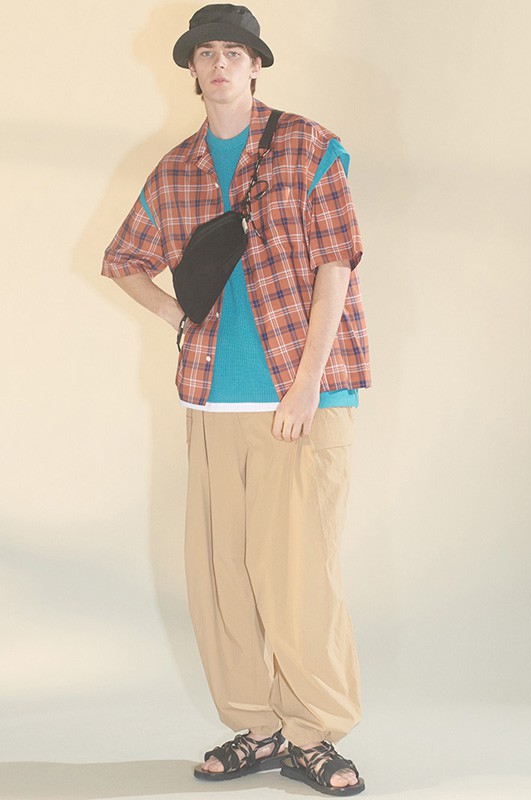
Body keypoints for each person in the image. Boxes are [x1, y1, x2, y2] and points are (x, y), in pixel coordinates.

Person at [102, 4, 370, 795]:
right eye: (206, 53)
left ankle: (314, 734)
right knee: (223, 576)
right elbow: (123, 259)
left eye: (234, 52)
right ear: (191, 69)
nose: (220, 65)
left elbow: (337, 265)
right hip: (214, 400)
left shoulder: (308, 146)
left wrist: (306, 382)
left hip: (302, 395)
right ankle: (257, 728)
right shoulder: (177, 168)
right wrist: (174, 316)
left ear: (256, 65)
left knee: (298, 575)